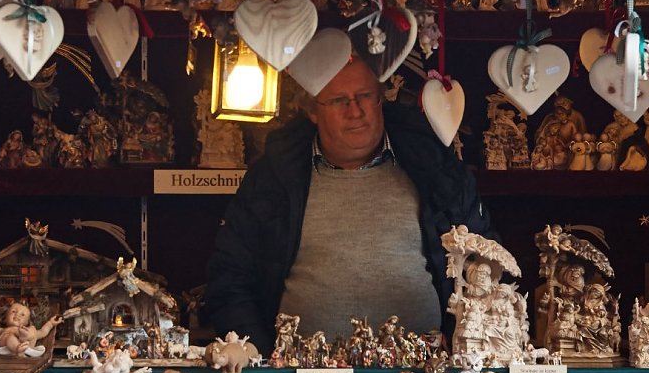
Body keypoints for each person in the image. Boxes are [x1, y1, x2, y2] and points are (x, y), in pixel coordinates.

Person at [204, 57, 489, 347]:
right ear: (312, 110)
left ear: (380, 98)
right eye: (340, 100)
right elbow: (230, 276)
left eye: (365, 96)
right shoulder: (273, 178)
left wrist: (463, 343)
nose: (356, 111)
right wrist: (257, 355)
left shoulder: (435, 169)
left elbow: (484, 263)